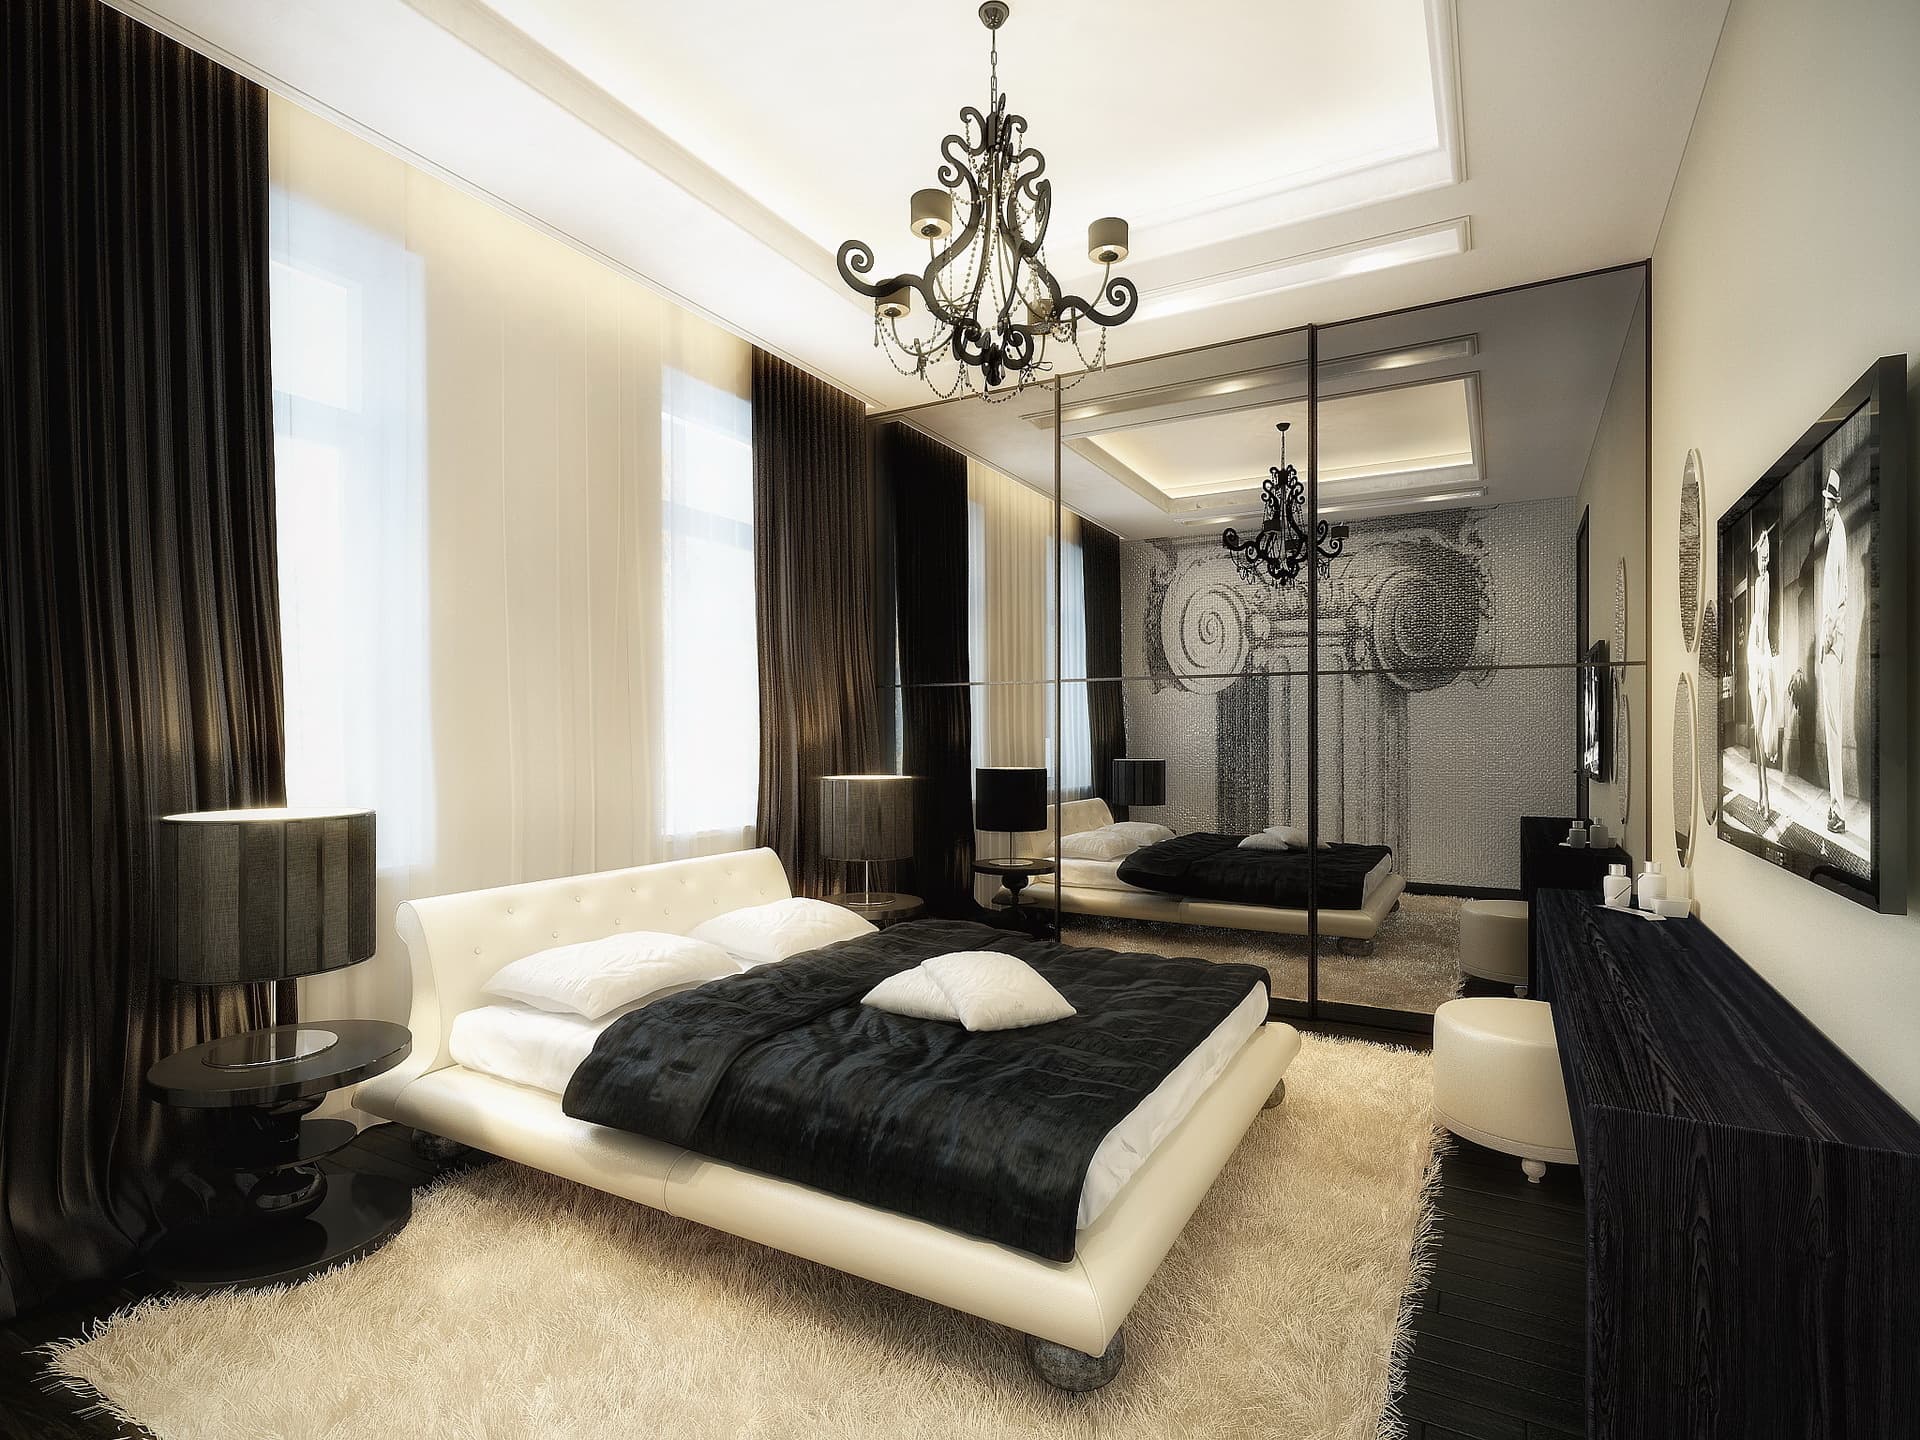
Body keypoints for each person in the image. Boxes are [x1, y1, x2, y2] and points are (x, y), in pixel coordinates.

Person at [1818, 469, 1849, 833]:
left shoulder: (1838, 536)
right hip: (1830, 647)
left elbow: (1840, 600)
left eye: (1827, 508)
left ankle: (1838, 810)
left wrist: (1827, 639)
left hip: (1832, 647)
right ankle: (1835, 804)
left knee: (1834, 728)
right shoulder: (1834, 537)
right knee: (1832, 727)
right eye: (1823, 509)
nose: (1824, 515)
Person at [1746, 527, 1774, 821]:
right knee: (1756, 735)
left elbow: (1764, 619)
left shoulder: (1764, 583)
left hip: (1763, 666)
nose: (1763, 561)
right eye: (1760, 557)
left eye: (1766, 557)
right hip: (1755, 665)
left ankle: (1765, 796)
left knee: (1759, 733)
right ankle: (1762, 794)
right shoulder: (1757, 583)